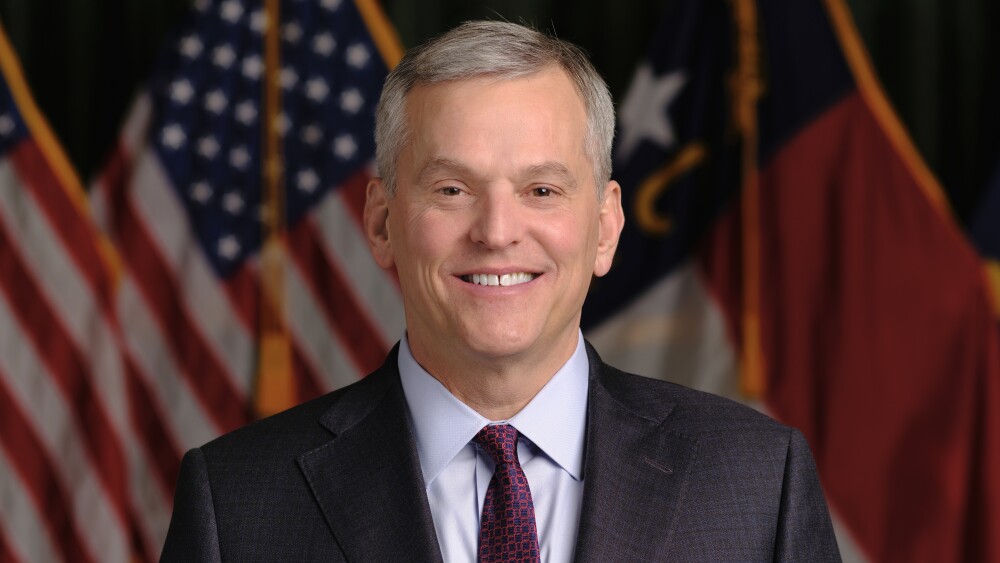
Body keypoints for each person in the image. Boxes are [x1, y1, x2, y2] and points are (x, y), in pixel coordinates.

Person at [161, 20, 841, 562]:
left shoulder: (758, 485)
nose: (496, 231)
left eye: (540, 190)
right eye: (452, 189)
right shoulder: (237, 505)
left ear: (605, 228)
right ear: (380, 221)